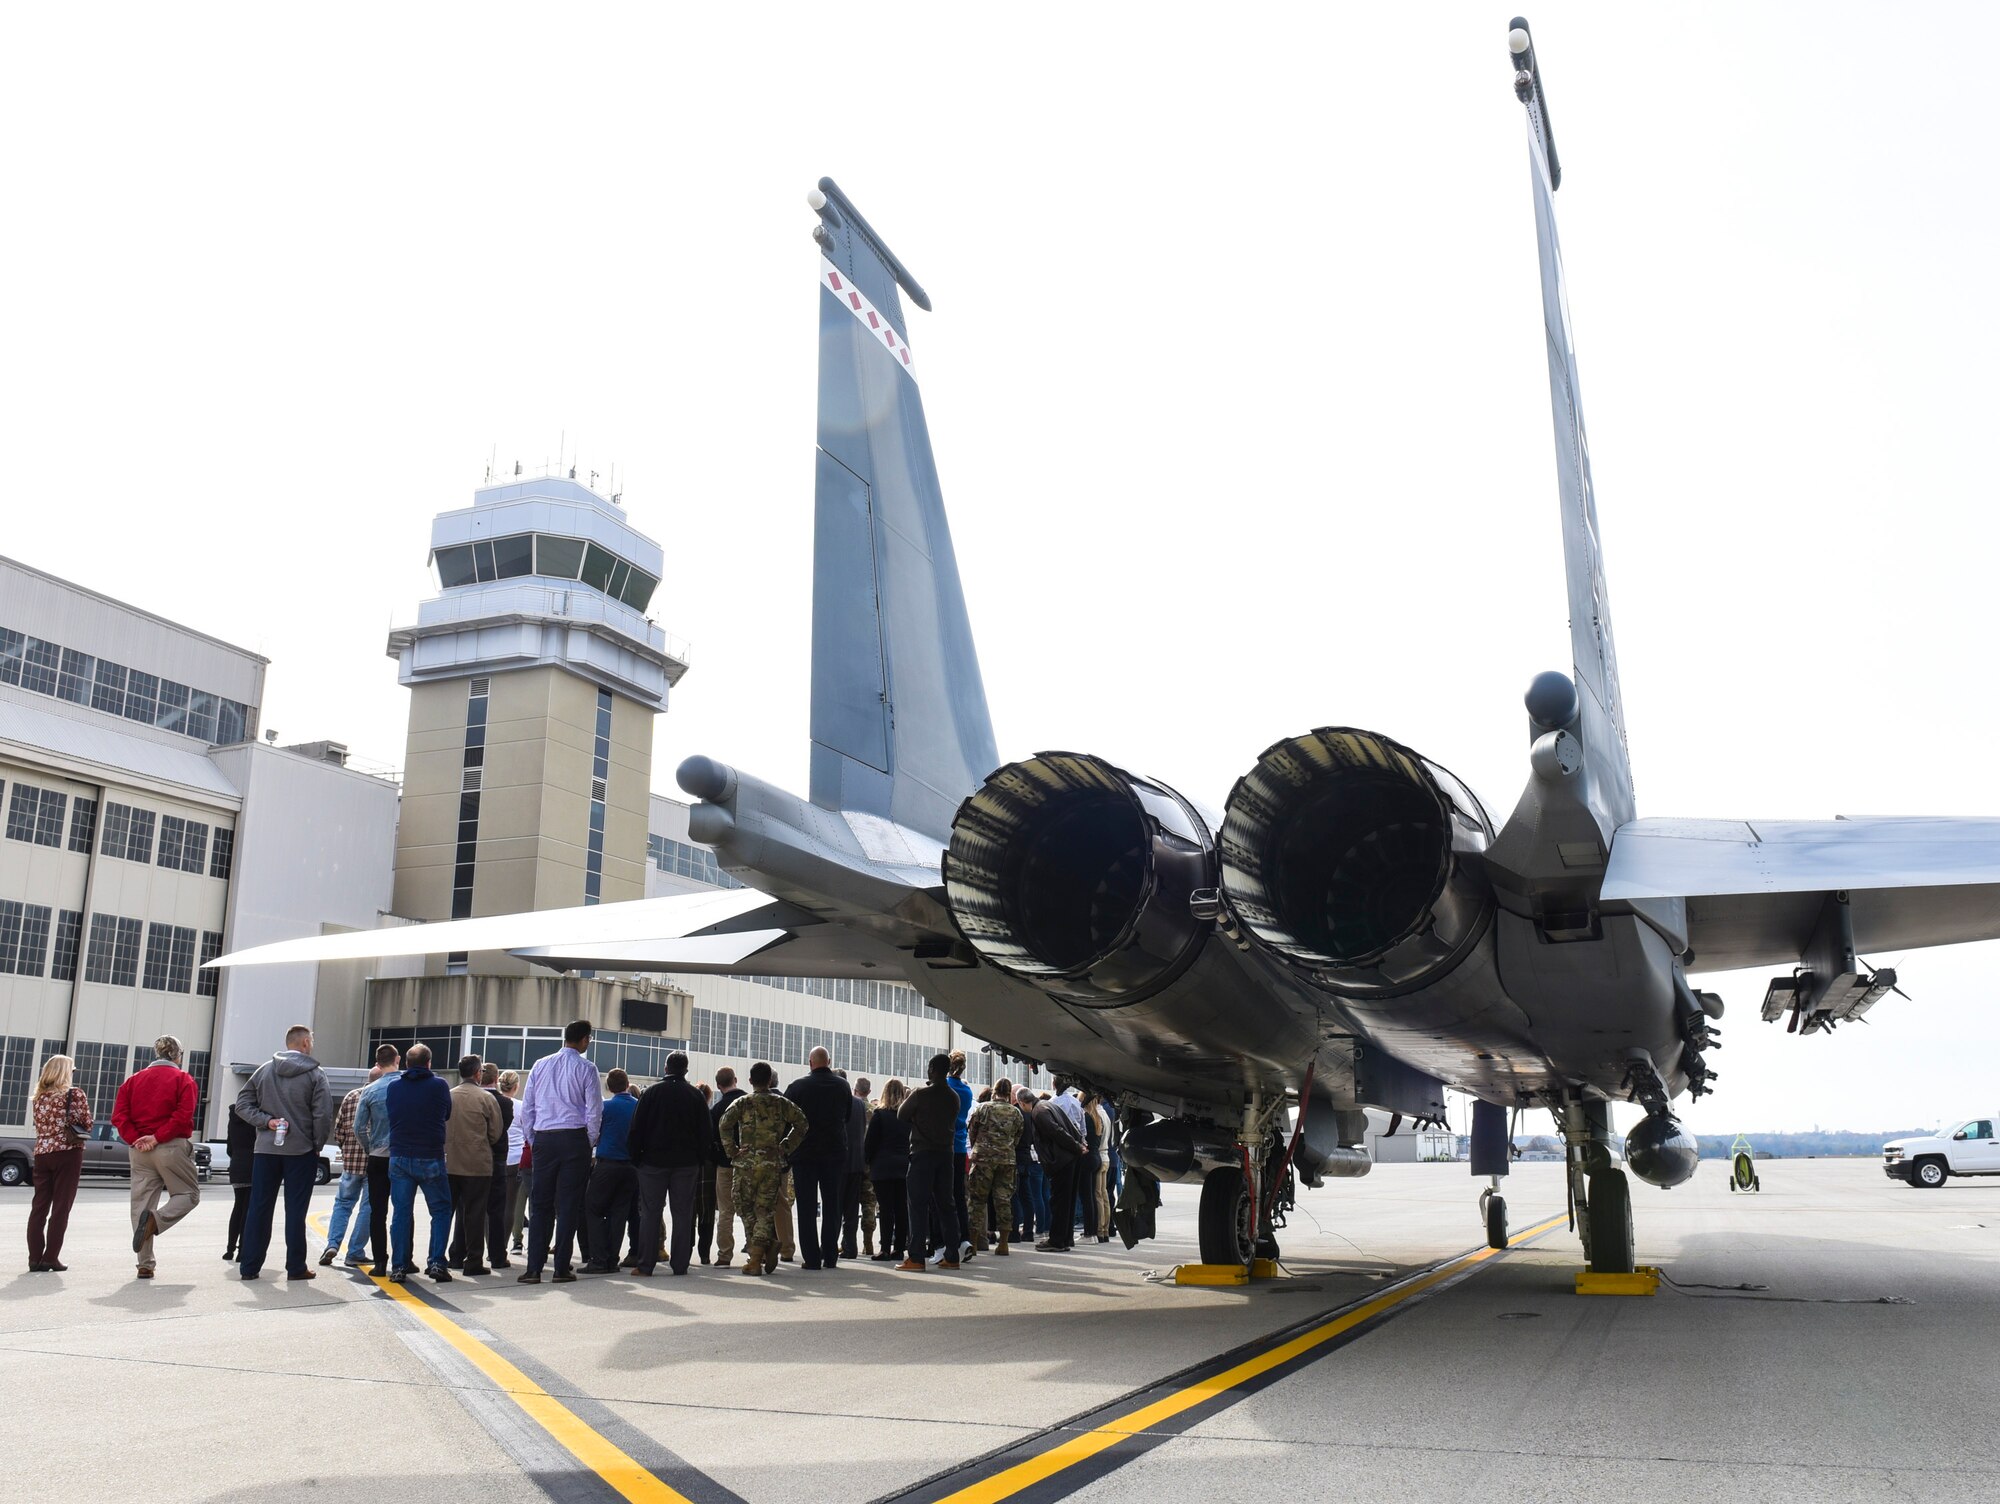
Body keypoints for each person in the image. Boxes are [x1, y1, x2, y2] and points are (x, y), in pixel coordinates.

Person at [235, 1026, 331, 1281]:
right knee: (296, 1211)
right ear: (306, 1043)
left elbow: (242, 1104)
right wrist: (317, 1143)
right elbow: (322, 1114)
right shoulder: (315, 1074)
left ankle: (249, 1266)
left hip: (266, 1149)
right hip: (301, 1151)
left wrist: (266, 1122)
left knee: (259, 1207)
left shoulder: (264, 1070)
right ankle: (296, 1267)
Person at [516, 1019, 602, 1285]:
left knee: (540, 1204)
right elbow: (594, 1111)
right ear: (585, 1039)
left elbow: (528, 1108)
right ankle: (561, 1267)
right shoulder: (587, 1068)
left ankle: (533, 1268)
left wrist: (534, 1137)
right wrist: (588, 1141)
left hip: (544, 1138)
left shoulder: (540, 1065)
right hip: (573, 1138)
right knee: (568, 1205)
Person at [628, 1051, 716, 1275]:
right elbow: (706, 1133)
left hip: (652, 1163)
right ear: (686, 1070)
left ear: (666, 1068)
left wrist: (637, 1158)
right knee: (683, 1213)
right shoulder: (695, 1096)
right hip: (686, 1164)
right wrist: (697, 1159)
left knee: (650, 1213)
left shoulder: (651, 1093)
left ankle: (646, 1264)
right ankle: (680, 1264)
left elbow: (637, 1128)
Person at [717, 1061, 806, 1276]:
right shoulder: (781, 1103)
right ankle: (763, 1248)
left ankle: (756, 1257)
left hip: (745, 1165)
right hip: (771, 1164)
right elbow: (802, 1123)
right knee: (765, 1211)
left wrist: (732, 1150)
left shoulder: (742, 1103)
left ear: (750, 1081)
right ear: (769, 1080)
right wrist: (785, 1147)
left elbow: (724, 1124)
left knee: (745, 1209)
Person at [386, 1042, 455, 1283]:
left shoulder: (394, 1088)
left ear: (406, 1064)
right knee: (441, 1210)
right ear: (429, 1063)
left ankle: (399, 1266)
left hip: (400, 1156)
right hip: (430, 1155)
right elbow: (446, 1113)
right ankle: (436, 1262)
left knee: (401, 1213)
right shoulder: (439, 1085)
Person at [321, 1052, 393, 1267]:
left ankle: (332, 1244)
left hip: (351, 1163)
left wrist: (348, 1150)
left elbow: (339, 1130)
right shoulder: (387, 1096)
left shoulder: (351, 1096)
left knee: (342, 1204)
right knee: (368, 1208)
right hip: (376, 1161)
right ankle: (355, 1251)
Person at [783, 1046, 851, 1270]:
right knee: (832, 1205)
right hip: (834, 1153)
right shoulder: (843, 1086)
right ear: (829, 1061)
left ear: (810, 1062)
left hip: (805, 1154)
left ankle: (811, 1258)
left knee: (806, 1207)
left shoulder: (797, 1087)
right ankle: (830, 1256)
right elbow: (847, 1117)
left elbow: (786, 1121)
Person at [897, 1054, 960, 1271]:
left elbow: (901, 1115)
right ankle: (952, 1256)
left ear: (932, 1068)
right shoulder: (953, 1097)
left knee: (917, 1205)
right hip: (946, 1154)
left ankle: (916, 1257)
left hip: (922, 1153)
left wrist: (917, 1118)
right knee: (947, 1205)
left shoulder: (920, 1094)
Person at [27, 1054, 89, 1272]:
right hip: (67, 1153)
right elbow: (86, 1123)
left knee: (39, 1206)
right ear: (65, 1072)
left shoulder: (39, 1097)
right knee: (61, 1207)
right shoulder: (75, 1094)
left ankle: (34, 1258)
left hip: (42, 1152)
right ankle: (50, 1258)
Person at [444, 1054, 503, 1275]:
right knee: (475, 1214)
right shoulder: (486, 1098)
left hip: (450, 1162)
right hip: (477, 1164)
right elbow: (495, 1133)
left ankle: (443, 1258)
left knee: (445, 1213)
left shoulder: (449, 1096)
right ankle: (473, 1261)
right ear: (478, 1073)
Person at [583, 1069, 639, 1273]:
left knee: (593, 1208)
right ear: (627, 1084)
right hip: (631, 1167)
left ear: (609, 1087)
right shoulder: (638, 1107)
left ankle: (598, 1258)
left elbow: (594, 1131)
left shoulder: (605, 1107)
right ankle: (612, 1259)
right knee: (619, 1213)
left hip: (608, 1163)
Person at [350, 1043, 400, 1269]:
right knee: (403, 1208)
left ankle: (380, 1260)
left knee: (377, 1210)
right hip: (401, 1153)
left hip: (378, 1155)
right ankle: (402, 1260)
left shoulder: (369, 1090)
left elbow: (358, 1127)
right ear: (397, 1059)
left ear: (377, 1064)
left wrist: (370, 1147)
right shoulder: (405, 1085)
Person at [967, 1079, 1024, 1255]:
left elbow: (972, 1131)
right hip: (1006, 1160)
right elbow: (1017, 1137)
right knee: (1003, 1200)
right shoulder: (1016, 1113)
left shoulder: (983, 1108)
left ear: (994, 1091)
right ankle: (1004, 1244)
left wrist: (979, 1147)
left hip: (983, 1158)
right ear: (1008, 1094)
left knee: (977, 1200)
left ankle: (974, 1243)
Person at [1031, 1085, 1086, 1252]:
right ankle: (1066, 1238)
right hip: (1071, 1158)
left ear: (1022, 1102)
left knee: (1059, 1201)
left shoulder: (1039, 1112)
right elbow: (1072, 1126)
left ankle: (1056, 1240)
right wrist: (1079, 1145)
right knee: (1067, 1201)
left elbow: (1057, 1132)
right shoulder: (1049, 1105)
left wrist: (1077, 1146)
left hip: (1062, 1160)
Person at [864, 1078, 911, 1263]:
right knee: (901, 1209)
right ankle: (899, 1248)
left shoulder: (880, 1115)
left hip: (882, 1167)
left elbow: (870, 1143)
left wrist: (868, 1162)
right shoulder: (908, 1117)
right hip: (903, 1166)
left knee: (885, 1209)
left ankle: (884, 1249)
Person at [480, 1063, 516, 1269]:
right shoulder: (505, 1103)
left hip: (470, 1159)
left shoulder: (465, 1096)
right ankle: (496, 1254)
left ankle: (461, 1251)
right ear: (495, 1079)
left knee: (468, 1208)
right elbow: (502, 1129)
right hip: (498, 1158)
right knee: (497, 1209)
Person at [708, 1066, 745, 1265]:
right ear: (736, 1079)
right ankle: (757, 1252)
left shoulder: (717, 1109)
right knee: (751, 1209)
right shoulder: (748, 1102)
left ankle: (724, 1254)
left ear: (718, 1085)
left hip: (725, 1165)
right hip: (749, 1165)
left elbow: (712, 1139)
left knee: (725, 1211)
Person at [840, 1075, 876, 1260]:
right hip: (867, 1161)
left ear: (854, 1089)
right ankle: (868, 1242)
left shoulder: (850, 1105)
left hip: (851, 1159)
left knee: (846, 1204)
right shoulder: (872, 1109)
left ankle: (844, 1243)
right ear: (869, 1091)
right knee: (868, 1204)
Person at [946, 1051, 975, 1262]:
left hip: (944, 1146)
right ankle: (964, 1238)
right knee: (959, 1196)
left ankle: (947, 1241)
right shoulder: (966, 1090)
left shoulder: (943, 1087)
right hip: (960, 1147)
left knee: (942, 1196)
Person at [222, 1094, 256, 1263]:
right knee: (248, 1209)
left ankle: (229, 1249)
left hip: (236, 1163)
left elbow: (230, 1146)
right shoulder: (256, 1116)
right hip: (253, 1165)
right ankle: (243, 1250)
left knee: (238, 1207)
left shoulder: (233, 1115)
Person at [500, 1071, 529, 1255]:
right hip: (516, 1158)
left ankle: (495, 1244)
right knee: (514, 1204)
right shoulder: (521, 1106)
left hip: (498, 1158)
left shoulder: (494, 1102)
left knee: (495, 1204)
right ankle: (513, 1242)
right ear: (516, 1087)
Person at [1012, 1089, 1042, 1244]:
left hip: (1016, 1156)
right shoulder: (1034, 1114)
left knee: (1014, 1196)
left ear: (1019, 1101)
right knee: (1027, 1196)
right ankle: (1029, 1231)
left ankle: (1014, 1231)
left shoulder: (1017, 1113)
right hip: (1027, 1156)